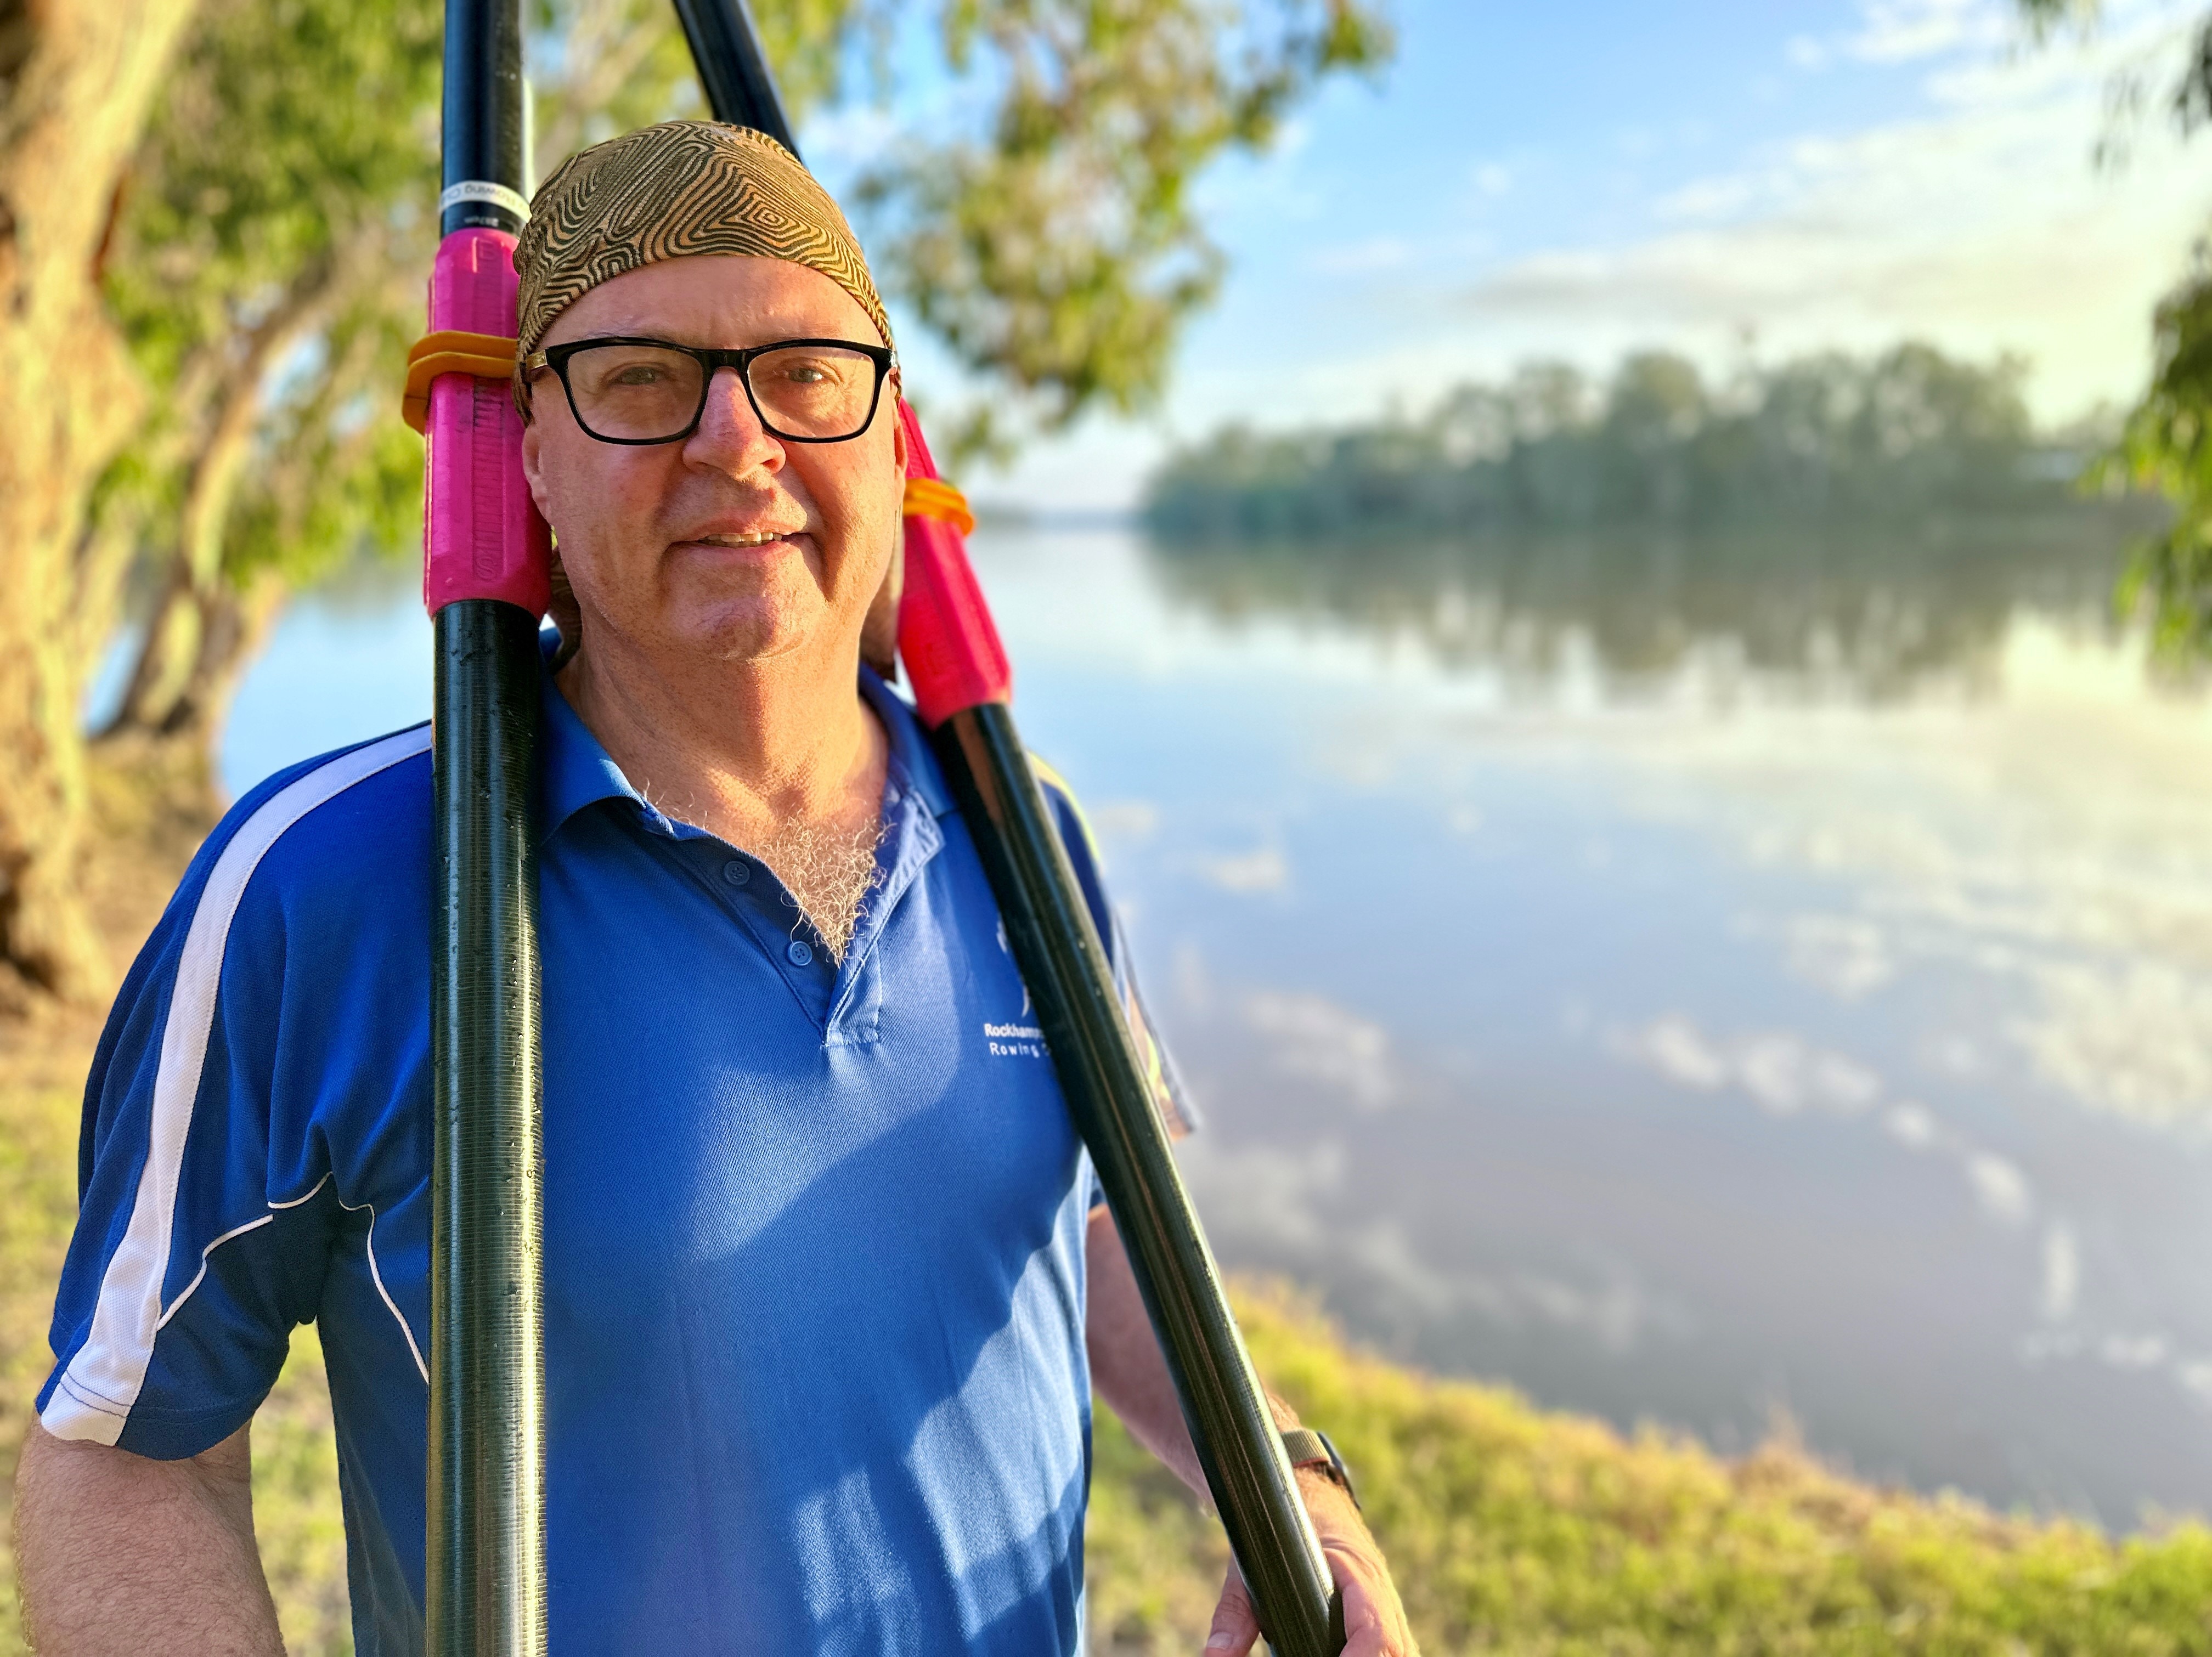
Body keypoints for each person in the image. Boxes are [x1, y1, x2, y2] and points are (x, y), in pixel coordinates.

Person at [15, 121, 1415, 1656]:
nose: (737, 444)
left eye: (809, 372)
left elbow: (1085, 1225)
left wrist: (1291, 1479)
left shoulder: (1032, 837)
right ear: (529, 455)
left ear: (896, 440)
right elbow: (124, 1444)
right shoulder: (326, 886)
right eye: (638, 380)